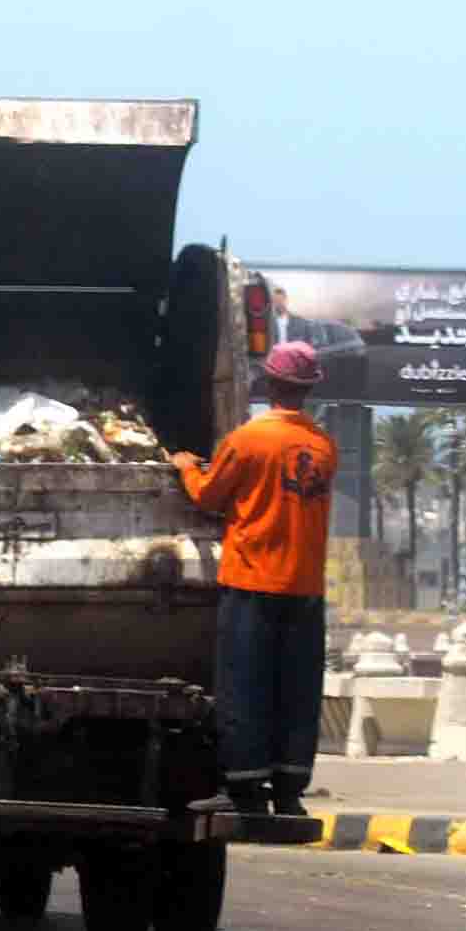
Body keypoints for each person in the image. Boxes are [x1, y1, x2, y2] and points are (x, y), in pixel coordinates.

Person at [170, 340, 338, 817]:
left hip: (252, 584)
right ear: (308, 390)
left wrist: (185, 467)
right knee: (296, 691)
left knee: (246, 688)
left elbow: (207, 495)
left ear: (268, 384)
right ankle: (288, 792)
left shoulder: (247, 441)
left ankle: (243, 788)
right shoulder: (324, 446)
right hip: (305, 589)